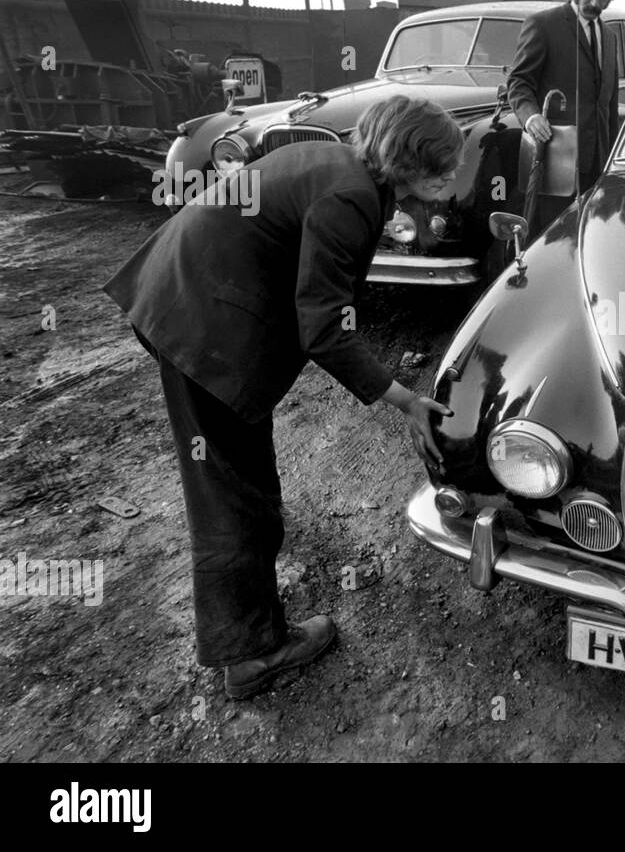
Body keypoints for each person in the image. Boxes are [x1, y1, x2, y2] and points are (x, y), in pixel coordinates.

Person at [103, 94, 463, 699]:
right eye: (443, 169)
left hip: (185, 298)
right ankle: (251, 654)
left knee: (241, 480)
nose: (453, 179)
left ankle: (249, 622)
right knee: (234, 495)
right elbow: (323, 328)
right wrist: (404, 400)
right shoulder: (348, 197)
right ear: (408, 164)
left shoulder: (336, 164)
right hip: (199, 326)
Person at [507, 0, 622, 209]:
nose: (594, 3)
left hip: (598, 168)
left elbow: (610, 107)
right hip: (556, 164)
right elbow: (518, 82)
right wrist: (531, 117)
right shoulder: (543, 25)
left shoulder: (610, 38)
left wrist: (613, 161)